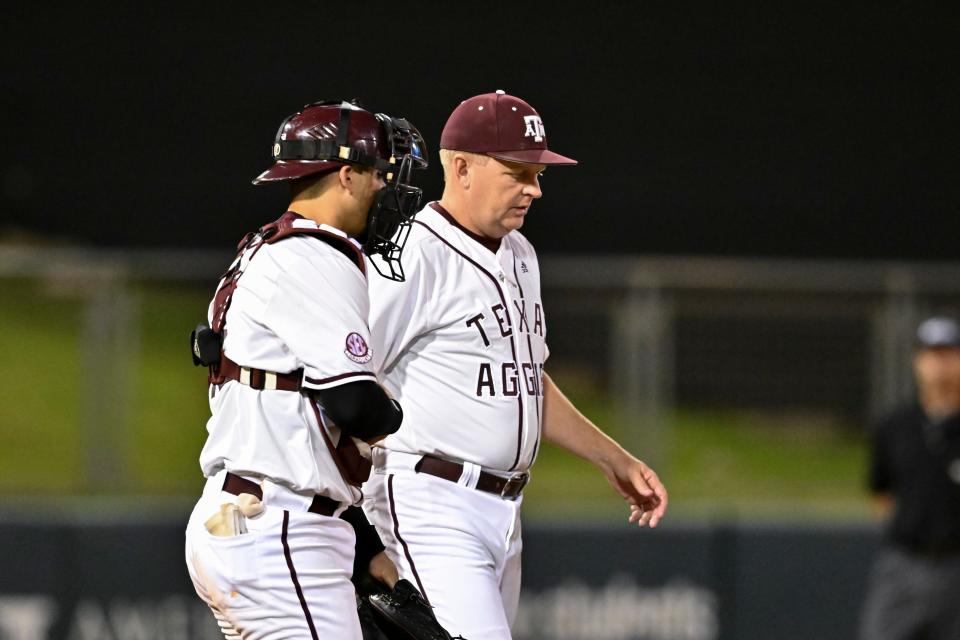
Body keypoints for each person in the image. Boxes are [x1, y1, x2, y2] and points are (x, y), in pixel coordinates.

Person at [361, 90, 668, 639]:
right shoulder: (410, 256)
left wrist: (612, 459)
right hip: (430, 499)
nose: (534, 188)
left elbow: (527, 381)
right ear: (461, 168)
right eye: (517, 172)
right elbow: (347, 379)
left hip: (504, 509)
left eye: (538, 173)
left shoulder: (521, 254)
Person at [184, 99, 427, 639]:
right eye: (379, 174)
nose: (387, 190)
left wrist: (366, 549)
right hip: (279, 528)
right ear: (347, 174)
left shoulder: (266, 248)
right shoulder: (316, 256)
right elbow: (355, 405)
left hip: (253, 515)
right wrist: (399, 413)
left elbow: (301, 418)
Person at [858, 315, 960, 640]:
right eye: (931, 355)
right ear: (917, 361)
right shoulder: (895, 425)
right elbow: (880, 491)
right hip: (904, 563)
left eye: (948, 354)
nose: (939, 365)